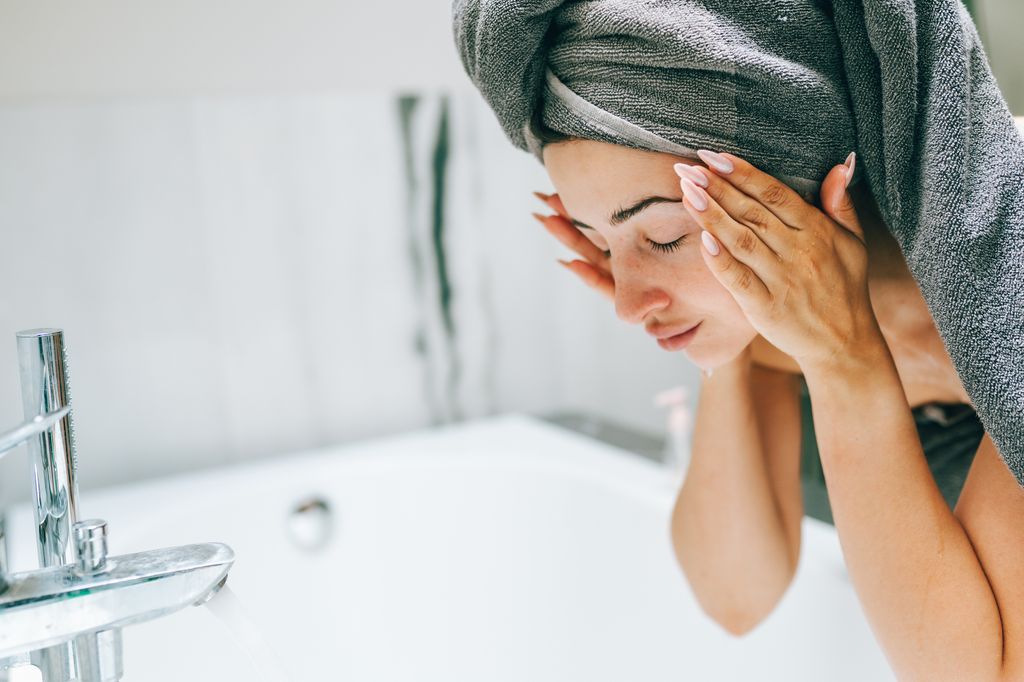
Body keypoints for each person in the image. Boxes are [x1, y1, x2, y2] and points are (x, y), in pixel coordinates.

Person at [526, 123, 1023, 679]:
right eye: (599, 242)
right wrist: (717, 337)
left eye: (664, 236)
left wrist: (844, 353)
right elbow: (736, 598)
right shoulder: (775, 343)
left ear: (798, 180)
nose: (625, 303)